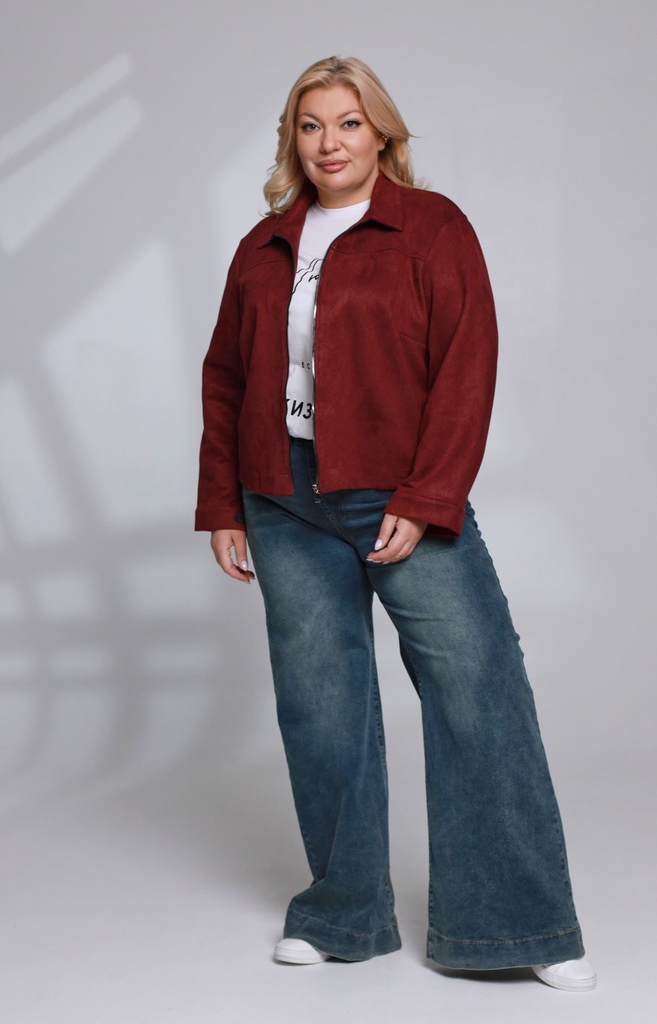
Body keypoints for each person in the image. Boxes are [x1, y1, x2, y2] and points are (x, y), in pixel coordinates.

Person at [195, 56, 596, 992]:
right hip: (282, 498)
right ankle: (343, 914)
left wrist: (427, 497)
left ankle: (518, 924)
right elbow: (227, 376)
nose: (329, 143)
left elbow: (466, 364)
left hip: (396, 492)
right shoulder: (264, 244)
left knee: (477, 687)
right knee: (322, 707)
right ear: (292, 139)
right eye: (310, 126)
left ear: (381, 132)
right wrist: (222, 502)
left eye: (348, 123)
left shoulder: (431, 227)